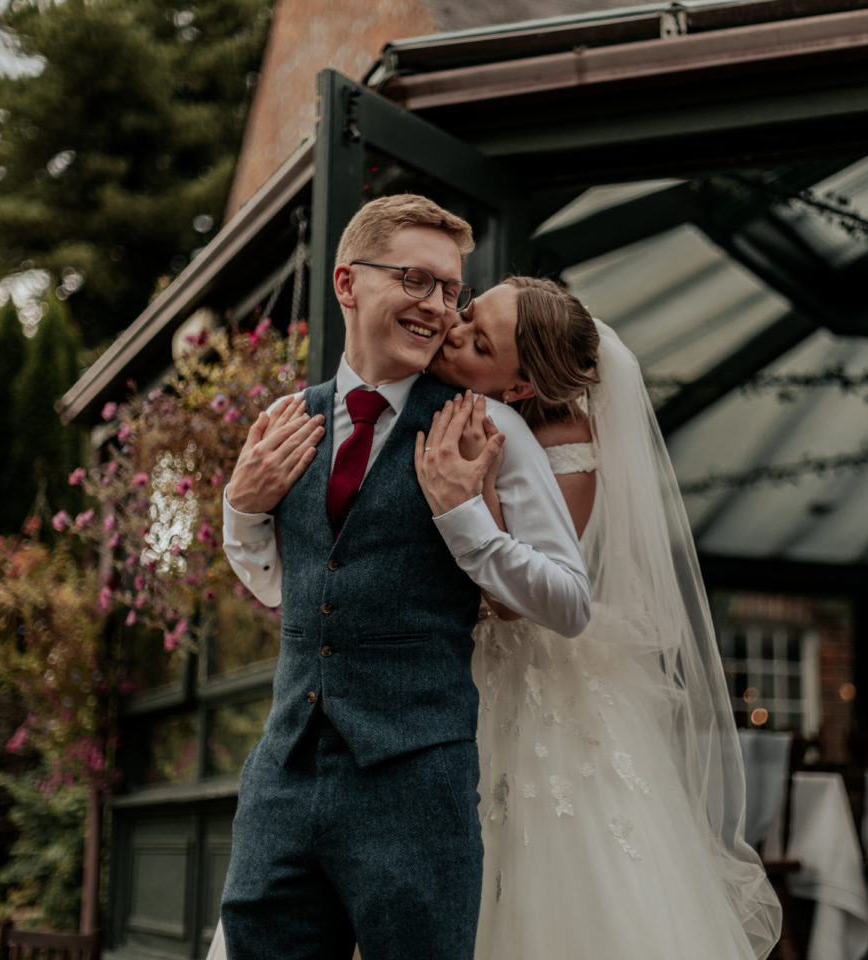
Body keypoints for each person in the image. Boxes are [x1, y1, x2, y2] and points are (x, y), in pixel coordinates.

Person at [221, 274, 783, 959]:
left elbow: (520, 608)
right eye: (469, 311)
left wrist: (470, 504)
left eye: (478, 341)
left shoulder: (561, 447)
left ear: (517, 387)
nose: (453, 329)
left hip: (507, 672)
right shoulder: (404, 400)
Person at [217, 194, 591, 960]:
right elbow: (285, 588)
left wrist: (465, 518)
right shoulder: (289, 417)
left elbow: (571, 602)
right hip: (281, 780)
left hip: (416, 786)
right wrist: (239, 509)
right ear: (348, 284)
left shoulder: (493, 428)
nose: (439, 308)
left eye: (451, 290)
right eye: (416, 281)